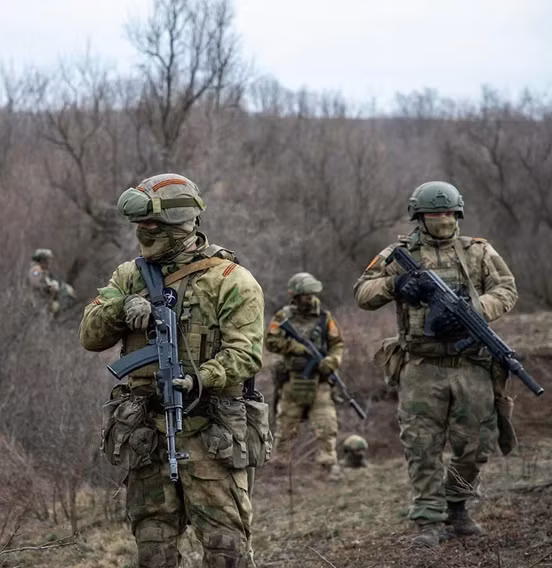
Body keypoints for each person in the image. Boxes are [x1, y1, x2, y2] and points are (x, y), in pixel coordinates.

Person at [80, 173, 265, 568]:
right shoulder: (130, 275)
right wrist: (124, 306)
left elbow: (246, 354)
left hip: (212, 431)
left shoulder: (230, 281)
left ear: (179, 225)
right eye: (139, 226)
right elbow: (90, 335)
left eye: (150, 226)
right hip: (146, 433)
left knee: (225, 548)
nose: (141, 234)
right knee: (153, 547)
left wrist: (201, 379)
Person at [354, 181, 518, 547]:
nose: (441, 219)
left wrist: (474, 311)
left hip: (471, 362)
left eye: (447, 213)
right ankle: (428, 522)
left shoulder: (478, 251)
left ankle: (456, 507)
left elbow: (506, 288)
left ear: (458, 213)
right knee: (422, 446)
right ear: (418, 217)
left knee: (477, 444)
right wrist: (397, 285)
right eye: (433, 214)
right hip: (421, 365)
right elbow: (362, 293)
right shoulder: (399, 253)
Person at [264, 272, 344, 481]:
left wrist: (332, 361)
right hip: (292, 380)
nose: (310, 299)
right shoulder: (283, 317)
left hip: (319, 382)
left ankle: (328, 466)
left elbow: (337, 345)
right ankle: (280, 468)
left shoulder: (325, 318)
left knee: (326, 425)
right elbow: (271, 342)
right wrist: (295, 347)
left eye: (312, 294)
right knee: (285, 426)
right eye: (306, 295)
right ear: (296, 296)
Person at [27, 248, 75, 316]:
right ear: (42, 260)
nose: (49, 263)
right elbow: (36, 284)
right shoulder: (36, 270)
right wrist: (49, 287)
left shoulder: (44, 271)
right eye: (47, 260)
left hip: (44, 301)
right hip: (37, 302)